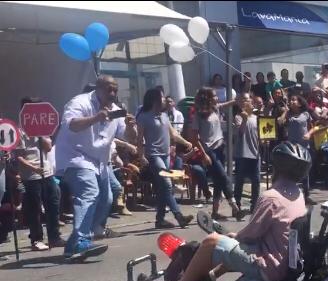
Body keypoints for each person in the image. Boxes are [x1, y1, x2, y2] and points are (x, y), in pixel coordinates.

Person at [162, 142, 310, 281]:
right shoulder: (298, 194)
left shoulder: (272, 198)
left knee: (211, 241)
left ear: (277, 167)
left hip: (270, 267)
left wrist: (235, 236)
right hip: (284, 264)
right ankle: (210, 276)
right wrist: (235, 238)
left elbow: (250, 236)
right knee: (230, 245)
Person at [55, 75, 136, 260]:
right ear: (98, 88)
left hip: (99, 161)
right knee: (89, 193)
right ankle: (80, 241)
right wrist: (95, 118)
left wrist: (131, 127)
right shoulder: (79, 102)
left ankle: (76, 242)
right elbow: (72, 125)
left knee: (106, 199)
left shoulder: (116, 110)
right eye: (109, 89)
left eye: (115, 89)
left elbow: (128, 137)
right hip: (75, 157)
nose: (113, 93)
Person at [135, 88, 195, 229]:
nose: (164, 100)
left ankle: (160, 220)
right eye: (162, 98)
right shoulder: (143, 116)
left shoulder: (164, 116)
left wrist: (185, 142)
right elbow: (139, 139)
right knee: (167, 184)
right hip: (154, 155)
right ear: (154, 100)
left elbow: (173, 134)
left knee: (163, 188)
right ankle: (179, 216)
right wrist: (141, 156)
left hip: (166, 155)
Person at [14, 98, 65, 251]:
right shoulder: (19, 131)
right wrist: (33, 168)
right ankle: (36, 239)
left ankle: (54, 237)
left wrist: (40, 134)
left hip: (47, 173)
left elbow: (48, 148)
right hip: (31, 176)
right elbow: (18, 156)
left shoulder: (43, 129)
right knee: (34, 208)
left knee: (53, 203)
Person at [191, 87, 241, 220]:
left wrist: (238, 100)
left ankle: (215, 212)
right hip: (209, 151)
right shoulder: (198, 115)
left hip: (220, 148)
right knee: (224, 177)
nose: (216, 98)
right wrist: (204, 155)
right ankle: (235, 207)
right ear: (206, 98)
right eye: (213, 96)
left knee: (219, 181)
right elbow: (194, 138)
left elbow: (231, 103)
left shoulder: (216, 108)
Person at [278, 95, 315, 204]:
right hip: (291, 147)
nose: (292, 101)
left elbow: (313, 126)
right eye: (291, 100)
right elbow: (280, 122)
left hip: (304, 146)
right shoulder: (288, 114)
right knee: (292, 170)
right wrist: (285, 112)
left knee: (305, 170)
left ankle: (306, 194)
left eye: (294, 100)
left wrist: (309, 133)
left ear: (300, 103)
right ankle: (291, 193)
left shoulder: (306, 114)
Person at [233, 93, 262, 215]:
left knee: (256, 181)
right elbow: (241, 132)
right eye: (242, 100)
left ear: (252, 102)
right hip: (242, 154)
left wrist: (264, 141)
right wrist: (244, 119)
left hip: (255, 154)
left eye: (247, 99)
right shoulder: (238, 117)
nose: (245, 102)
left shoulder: (257, 118)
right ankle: (237, 205)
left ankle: (254, 205)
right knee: (239, 181)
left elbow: (261, 135)